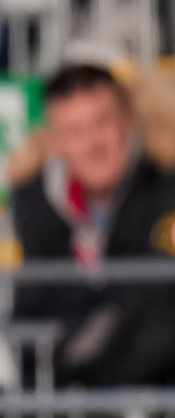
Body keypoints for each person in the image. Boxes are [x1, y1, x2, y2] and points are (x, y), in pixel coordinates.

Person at [9, 62, 175, 384]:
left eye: (102, 123)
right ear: (55, 141)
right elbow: (37, 307)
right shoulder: (37, 206)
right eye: (75, 132)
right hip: (68, 401)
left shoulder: (166, 193)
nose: (93, 143)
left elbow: (160, 309)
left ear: (128, 121)